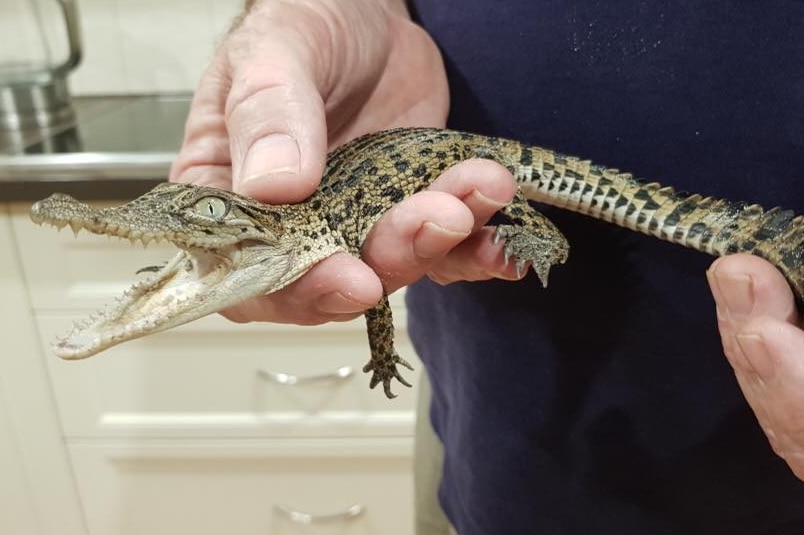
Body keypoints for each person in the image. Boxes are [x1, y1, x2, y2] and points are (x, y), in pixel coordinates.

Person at [170, 1, 804, 533]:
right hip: (493, 437)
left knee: (496, 192)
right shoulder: (305, 230)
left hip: (737, 465)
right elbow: (369, 293)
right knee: (471, 201)